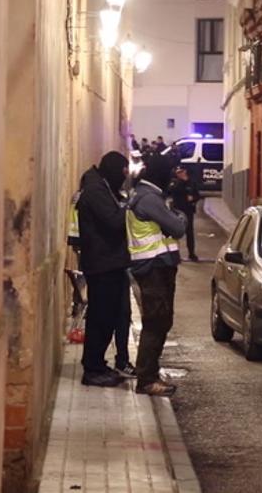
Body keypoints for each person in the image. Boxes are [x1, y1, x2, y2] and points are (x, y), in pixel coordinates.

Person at [127, 155, 187, 396]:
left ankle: (149, 371)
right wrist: (177, 215)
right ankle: (146, 379)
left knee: (161, 320)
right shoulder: (150, 198)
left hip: (155, 266)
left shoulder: (144, 194)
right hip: (154, 267)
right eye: (170, 173)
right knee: (156, 321)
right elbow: (179, 227)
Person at [76, 152, 134, 386]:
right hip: (102, 265)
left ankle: (98, 364)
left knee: (108, 317)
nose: (124, 177)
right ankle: (92, 369)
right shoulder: (96, 191)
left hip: (109, 263)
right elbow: (113, 221)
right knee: (100, 318)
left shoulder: (103, 187)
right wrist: (129, 206)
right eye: (123, 172)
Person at [169, 166, 201, 261]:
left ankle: (191, 253)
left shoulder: (191, 182)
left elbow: (197, 195)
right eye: (178, 172)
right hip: (177, 211)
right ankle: (175, 254)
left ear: (185, 171)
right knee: (175, 233)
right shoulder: (175, 182)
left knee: (189, 233)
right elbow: (172, 191)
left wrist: (193, 199)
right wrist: (182, 181)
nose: (179, 174)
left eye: (181, 171)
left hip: (188, 210)